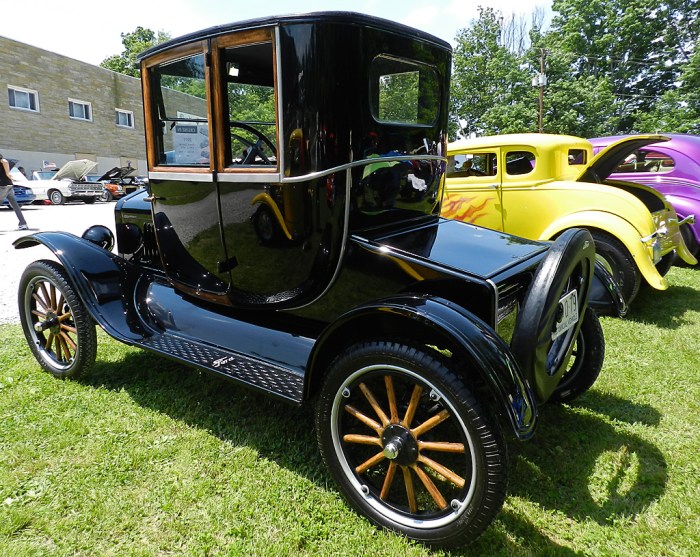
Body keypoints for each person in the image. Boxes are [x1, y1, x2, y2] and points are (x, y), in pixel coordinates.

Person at [0, 153, 29, 230]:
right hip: (8, 185)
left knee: (15, 205)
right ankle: (23, 223)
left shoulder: (2, 160)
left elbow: (5, 161)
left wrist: (7, 174)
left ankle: (23, 223)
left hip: (3, 186)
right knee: (15, 205)